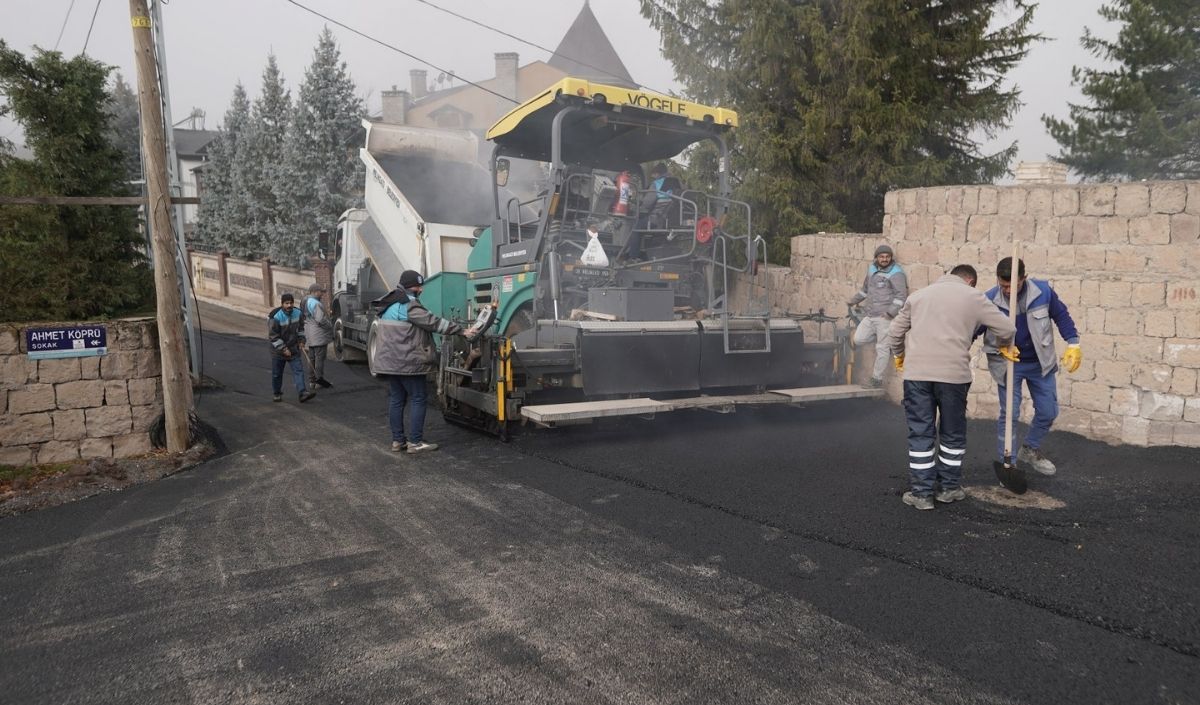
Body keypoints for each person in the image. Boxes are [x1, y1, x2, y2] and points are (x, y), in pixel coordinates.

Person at [885, 265, 1017, 511]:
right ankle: (949, 488)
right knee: (952, 433)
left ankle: (922, 494)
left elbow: (894, 332)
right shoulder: (974, 297)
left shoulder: (918, 296)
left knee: (921, 433)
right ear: (970, 281)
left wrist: (899, 356)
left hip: (917, 376)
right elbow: (1008, 328)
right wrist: (1004, 345)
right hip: (954, 377)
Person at [980, 257, 1082, 476]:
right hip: (1009, 365)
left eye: (1012, 285)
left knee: (1048, 411)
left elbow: (1061, 315)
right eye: (1003, 285)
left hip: (1040, 363)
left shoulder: (1042, 292)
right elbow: (974, 328)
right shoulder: (989, 299)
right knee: (1010, 414)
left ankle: (1030, 449)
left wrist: (1073, 342)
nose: (1007, 290)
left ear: (1024, 278)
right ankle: (1007, 464)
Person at [371, 270, 479, 454]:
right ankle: (415, 442)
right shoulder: (409, 305)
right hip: (407, 363)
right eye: (418, 286)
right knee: (419, 397)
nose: (420, 289)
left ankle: (398, 441)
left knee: (397, 399)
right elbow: (434, 323)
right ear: (409, 287)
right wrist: (462, 331)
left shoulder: (389, 304)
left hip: (390, 362)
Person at [847, 244, 908, 387]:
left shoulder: (897, 273)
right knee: (858, 339)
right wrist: (853, 300)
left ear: (891, 258)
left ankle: (876, 380)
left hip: (884, 317)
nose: (885, 259)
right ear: (876, 258)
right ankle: (882, 338)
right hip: (870, 315)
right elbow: (865, 290)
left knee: (882, 349)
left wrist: (890, 313)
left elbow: (901, 296)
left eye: (887, 257)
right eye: (881, 256)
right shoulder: (872, 269)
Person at [627, 162, 683, 262]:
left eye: (654, 176)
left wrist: (637, 204)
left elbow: (647, 204)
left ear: (657, 173)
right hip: (673, 221)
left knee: (636, 227)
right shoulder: (677, 183)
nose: (653, 178)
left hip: (657, 219)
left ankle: (633, 257)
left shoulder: (657, 184)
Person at [269, 293, 314, 403]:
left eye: (291, 303)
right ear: (282, 304)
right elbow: (273, 336)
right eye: (287, 303)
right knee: (277, 374)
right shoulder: (275, 317)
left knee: (298, 371)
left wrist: (302, 341)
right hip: (278, 352)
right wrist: (284, 349)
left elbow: (301, 329)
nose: (289, 305)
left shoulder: (298, 313)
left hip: (294, 349)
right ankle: (277, 393)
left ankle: (302, 393)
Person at [303, 282, 334, 389]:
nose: (322, 294)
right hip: (318, 335)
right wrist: (330, 326)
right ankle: (319, 381)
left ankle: (312, 381)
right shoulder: (316, 304)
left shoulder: (305, 301)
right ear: (315, 292)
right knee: (319, 359)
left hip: (309, 335)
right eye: (321, 292)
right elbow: (320, 319)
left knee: (311, 359)